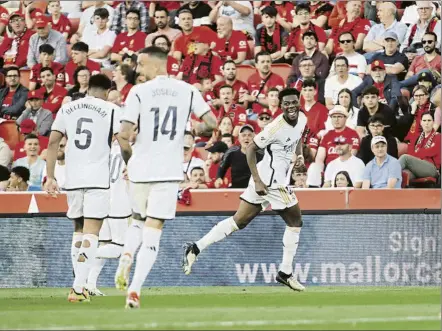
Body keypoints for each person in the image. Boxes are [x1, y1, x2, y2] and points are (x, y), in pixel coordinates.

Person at [116, 46, 217, 309]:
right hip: (169, 170)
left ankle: (126, 254)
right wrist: (194, 127)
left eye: (141, 63)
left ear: (156, 65)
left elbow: (124, 134)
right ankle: (135, 290)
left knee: (136, 222)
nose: (138, 68)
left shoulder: (138, 91)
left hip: (141, 166)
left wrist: (130, 161)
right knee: (154, 232)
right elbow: (212, 123)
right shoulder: (188, 90)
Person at [183, 88, 307, 293]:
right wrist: (257, 181)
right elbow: (251, 148)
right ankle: (285, 272)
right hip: (271, 182)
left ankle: (195, 248)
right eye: (287, 104)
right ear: (281, 106)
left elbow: (298, 137)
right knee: (296, 221)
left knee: (238, 221)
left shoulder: (301, 118)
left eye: (294, 102)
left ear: (298, 102)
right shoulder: (275, 127)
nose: (291, 106)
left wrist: (299, 156)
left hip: (267, 178)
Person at [45, 74, 120, 303]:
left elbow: (52, 142)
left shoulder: (68, 108)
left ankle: (79, 284)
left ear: (88, 87)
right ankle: (79, 288)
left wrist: (49, 177)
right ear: (107, 91)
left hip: (73, 178)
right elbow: (123, 140)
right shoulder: (110, 108)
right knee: (92, 232)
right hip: (97, 178)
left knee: (78, 230)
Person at [86, 135, 131, 296]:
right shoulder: (130, 149)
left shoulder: (103, 150)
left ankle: (89, 284)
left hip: (101, 201)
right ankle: (83, 258)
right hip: (119, 203)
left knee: (105, 245)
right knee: (120, 248)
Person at [399, 112, 440, 181]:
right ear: (421, 123)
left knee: (404, 157)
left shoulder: (438, 136)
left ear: (433, 122)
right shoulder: (417, 137)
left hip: (432, 168)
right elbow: (411, 152)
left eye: (429, 120)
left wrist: (418, 152)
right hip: (418, 166)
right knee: (405, 174)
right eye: (424, 120)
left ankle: (385, 175)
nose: (427, 123)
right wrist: (419, 153)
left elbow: (432, 152)